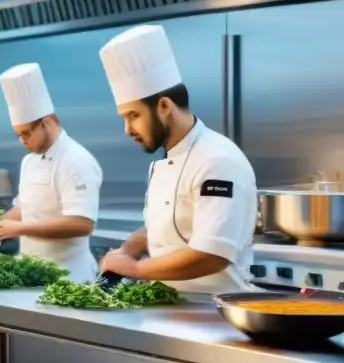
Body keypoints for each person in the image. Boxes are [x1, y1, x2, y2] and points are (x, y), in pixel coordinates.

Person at [97, 25, 257, 293]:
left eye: (133, 116)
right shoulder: (169, 160)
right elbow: (174, 227)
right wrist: (129, 249)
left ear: (164, 106)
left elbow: (212, 255)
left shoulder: (217, 160)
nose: (127, 129)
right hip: (170, 307)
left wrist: (135, 269)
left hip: (214, 311)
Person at [0, 63, 103, 283]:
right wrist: (0, 224)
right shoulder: (29, 161)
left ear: (46, 123)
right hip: (30, 272)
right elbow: (26, 206)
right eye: (18, 135)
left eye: (26, 133)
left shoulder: (77, 160)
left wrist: (18, 228)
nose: (23, 141)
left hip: (68, 277)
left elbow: (81, 223)